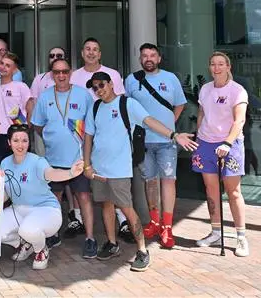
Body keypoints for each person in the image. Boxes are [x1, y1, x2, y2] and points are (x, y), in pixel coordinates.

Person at [83, 71, 197, 272]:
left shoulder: (127, 104)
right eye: (95, 87)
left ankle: (143, 250)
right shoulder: (95, 108)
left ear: (110, 84)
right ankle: (112, 243)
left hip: (119, 169)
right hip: (99, 169)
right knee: (106, 206)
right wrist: (87, 165)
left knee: (127, 208)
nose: (99, 90)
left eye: (101, 85)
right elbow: (88, 138)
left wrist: (173, 134)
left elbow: (150, 121)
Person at [31, 58, 98, 258]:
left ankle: (90, 238)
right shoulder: (44, 97)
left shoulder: (83, 94)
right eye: (57, 72)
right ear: (52, 74)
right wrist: (53, 137)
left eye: (65, 72)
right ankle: (53, 234)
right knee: (54, 199)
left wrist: (88, 157)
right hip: (54, 160)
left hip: (78, 159)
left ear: (70, 73)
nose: (61, 75)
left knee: (84, 197)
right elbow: (37, 124)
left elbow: (91, 126)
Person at [124, 43, 187, 249]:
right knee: (149, 181)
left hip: (166, 141)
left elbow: (180, 104)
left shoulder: (171, 78)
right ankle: (154, 221)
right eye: (144, 56)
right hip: (142, 141)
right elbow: (127, 108)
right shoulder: (131, 80)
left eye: (152, 55)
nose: (148, 59)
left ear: (159, 58)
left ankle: (167, 226)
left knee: (168, 181)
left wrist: (169, 124)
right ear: (140, 59)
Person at [0, 124, 85, 270]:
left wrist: (70, 173)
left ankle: (41, 250)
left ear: (29, 142)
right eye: (16, 140)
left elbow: (52, 173)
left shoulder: (37, 161)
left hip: (46, 210)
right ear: (9, 143)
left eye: (24, 140)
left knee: (27, 230)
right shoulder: (4, 163)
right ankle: (25, 244)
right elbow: (6, 194)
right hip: (18, 209)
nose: (20, 145)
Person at [71, 37, 131, 239]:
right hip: (82, 134)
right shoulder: (74, 76)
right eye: (87, 49)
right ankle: (78, 218)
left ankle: (123, 221)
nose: (91, 52)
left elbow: (121, 103)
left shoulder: (112, 74)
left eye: (95, 49)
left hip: (110, 136)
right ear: (82, 53)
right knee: (87, 182)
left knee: (114, 179)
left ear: (100, 53)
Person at [192, 51, 250, 257]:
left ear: (228, 67)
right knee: (211, 189)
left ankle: (241, 236)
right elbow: (201, 113)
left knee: (233, 191)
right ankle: (216, 232)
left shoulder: (237, 91)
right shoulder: (206, 89)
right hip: (206, 143)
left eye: (220, 64)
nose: (216, 68)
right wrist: (199, 135)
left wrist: (227, 142)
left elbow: (239, 120)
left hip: (230, 144)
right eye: (213, 64)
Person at [0, 52, 34, 171]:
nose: (3, 67)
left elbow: (30, 106)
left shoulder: (21, 86)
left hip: (17, 135)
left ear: (14, 70)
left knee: (20, 171)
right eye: (2, 63)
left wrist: (26, 128)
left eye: (8, 65)